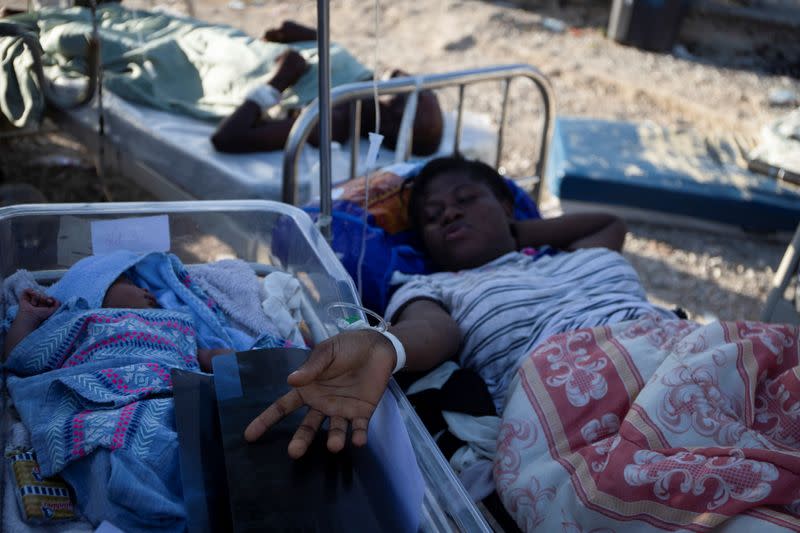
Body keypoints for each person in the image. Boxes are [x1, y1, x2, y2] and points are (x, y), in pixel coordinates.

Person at [244, 155, 676, 458]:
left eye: (465, 199)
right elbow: (433, 332)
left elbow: (610, 224)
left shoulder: (573, 254)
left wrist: (512, 232)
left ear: (507, 203)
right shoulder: (431, 286)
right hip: (583, 401)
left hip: (676, 352)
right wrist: (382, 345)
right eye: (432, 216)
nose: (448, 214)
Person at [211, 20, 444, 156]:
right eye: (427, 90)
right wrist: (313, 37)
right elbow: (288, 32)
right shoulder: (362, 77)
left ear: (389, 122)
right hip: (227, 38)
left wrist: (279, 81)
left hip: (213, 61)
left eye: (416, 97)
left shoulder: (333, 118)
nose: (412, 80)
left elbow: (227, 138)